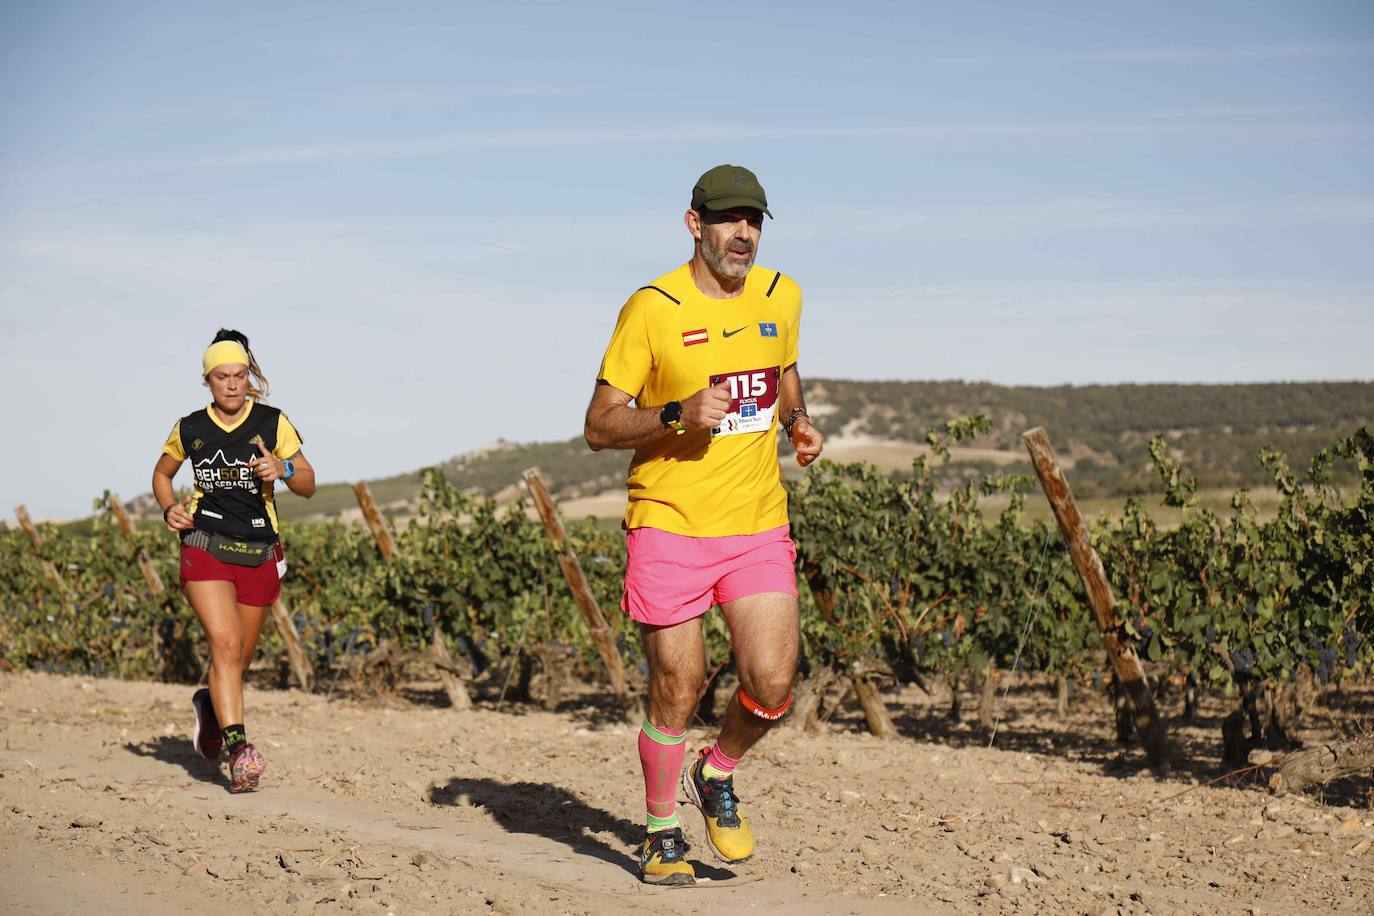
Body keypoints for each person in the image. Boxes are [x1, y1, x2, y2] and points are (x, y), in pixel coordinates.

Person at [584, 164, 824, 884]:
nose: (742, 233)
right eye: (727, 219)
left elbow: (782, 370)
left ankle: (715, 772)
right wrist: (673, 413)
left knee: (774, 682)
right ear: (695, 224)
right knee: (678, 684)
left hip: (755, 522)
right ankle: (662, 832)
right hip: (668, 521)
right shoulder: (651, 307)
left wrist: (800, 421)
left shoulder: (784, 295)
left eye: (753, 219)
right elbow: (598, 426)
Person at [151, 329, 315, 793]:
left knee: (237, 658)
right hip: (204, 544)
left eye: (239, 375)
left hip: (258, 551)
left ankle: (208, 702)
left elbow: (308, 482)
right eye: (221, 377)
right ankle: (240, 751)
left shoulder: (273, 422)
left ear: (249, 376)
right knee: (224, 644)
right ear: (207, 380)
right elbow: (162, 474)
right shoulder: (190, 428)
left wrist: (282, 469)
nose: (231, 384)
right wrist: (170, 509)